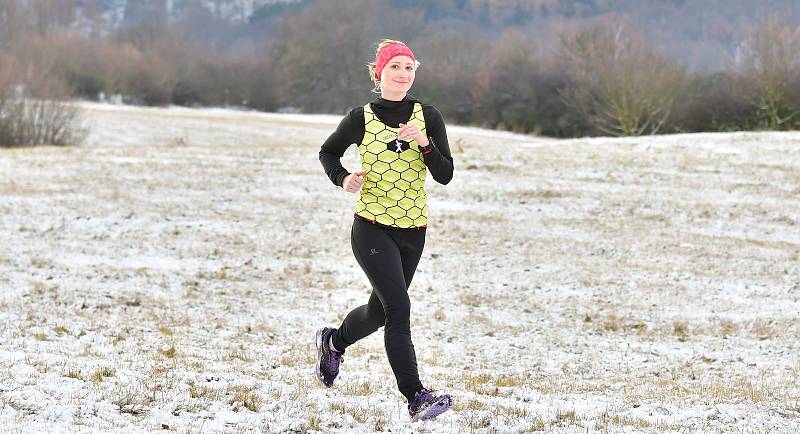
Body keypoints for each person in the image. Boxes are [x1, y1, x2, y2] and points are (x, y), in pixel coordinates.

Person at [316, 39, 454, 421]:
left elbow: (445, 174)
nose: (403, 74)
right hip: (372, 227)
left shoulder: (429, 116)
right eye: (396, 66)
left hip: (414, 230)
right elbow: (328, 152)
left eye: (410, 67)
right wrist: (343, 178)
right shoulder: (360, 118)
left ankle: (334, 341)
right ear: (380, 73)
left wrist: (425, 144)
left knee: (379, 312)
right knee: (398, 308)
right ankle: (416, 396)